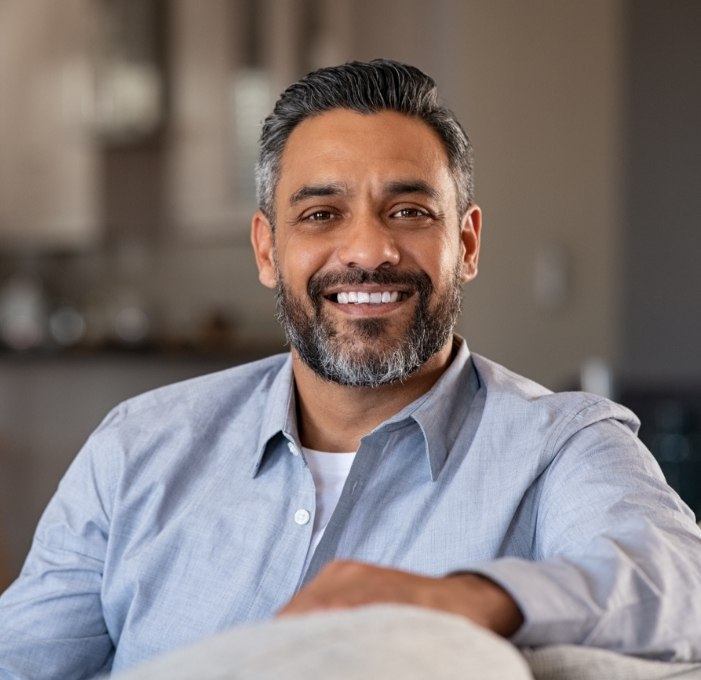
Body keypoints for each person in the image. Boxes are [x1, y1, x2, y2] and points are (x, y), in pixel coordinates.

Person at [1, 59, 700, 679]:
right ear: (267, 249)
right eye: (320, 213)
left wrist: (456, 597)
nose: (368, 249)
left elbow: (677, 585)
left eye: (407, 210)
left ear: (465, 242)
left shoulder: (561, 445)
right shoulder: (138, 445)